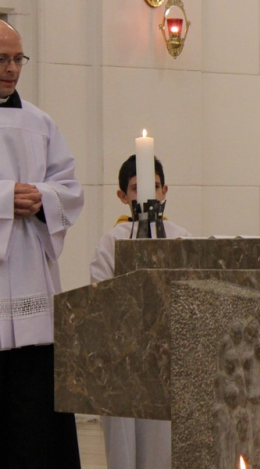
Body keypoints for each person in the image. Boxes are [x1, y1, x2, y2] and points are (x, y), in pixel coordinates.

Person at [0, 21, 84, 468]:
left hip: (32, 278)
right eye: (2, 59)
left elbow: (70, 188)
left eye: (18, 59)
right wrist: (3, 198)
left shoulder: (40, 122)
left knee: (33, 422)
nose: (11, 69)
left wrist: (43, 197)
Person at [90, 155, 189, 469]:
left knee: (165, 446)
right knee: (124, 447)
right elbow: (100, 296)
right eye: (136, 188)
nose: (148, 194)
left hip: (168, 355)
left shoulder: (181, 236)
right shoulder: (111, 241)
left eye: (154, 186)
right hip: (124, 358)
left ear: (165, 191)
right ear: (122, 196)